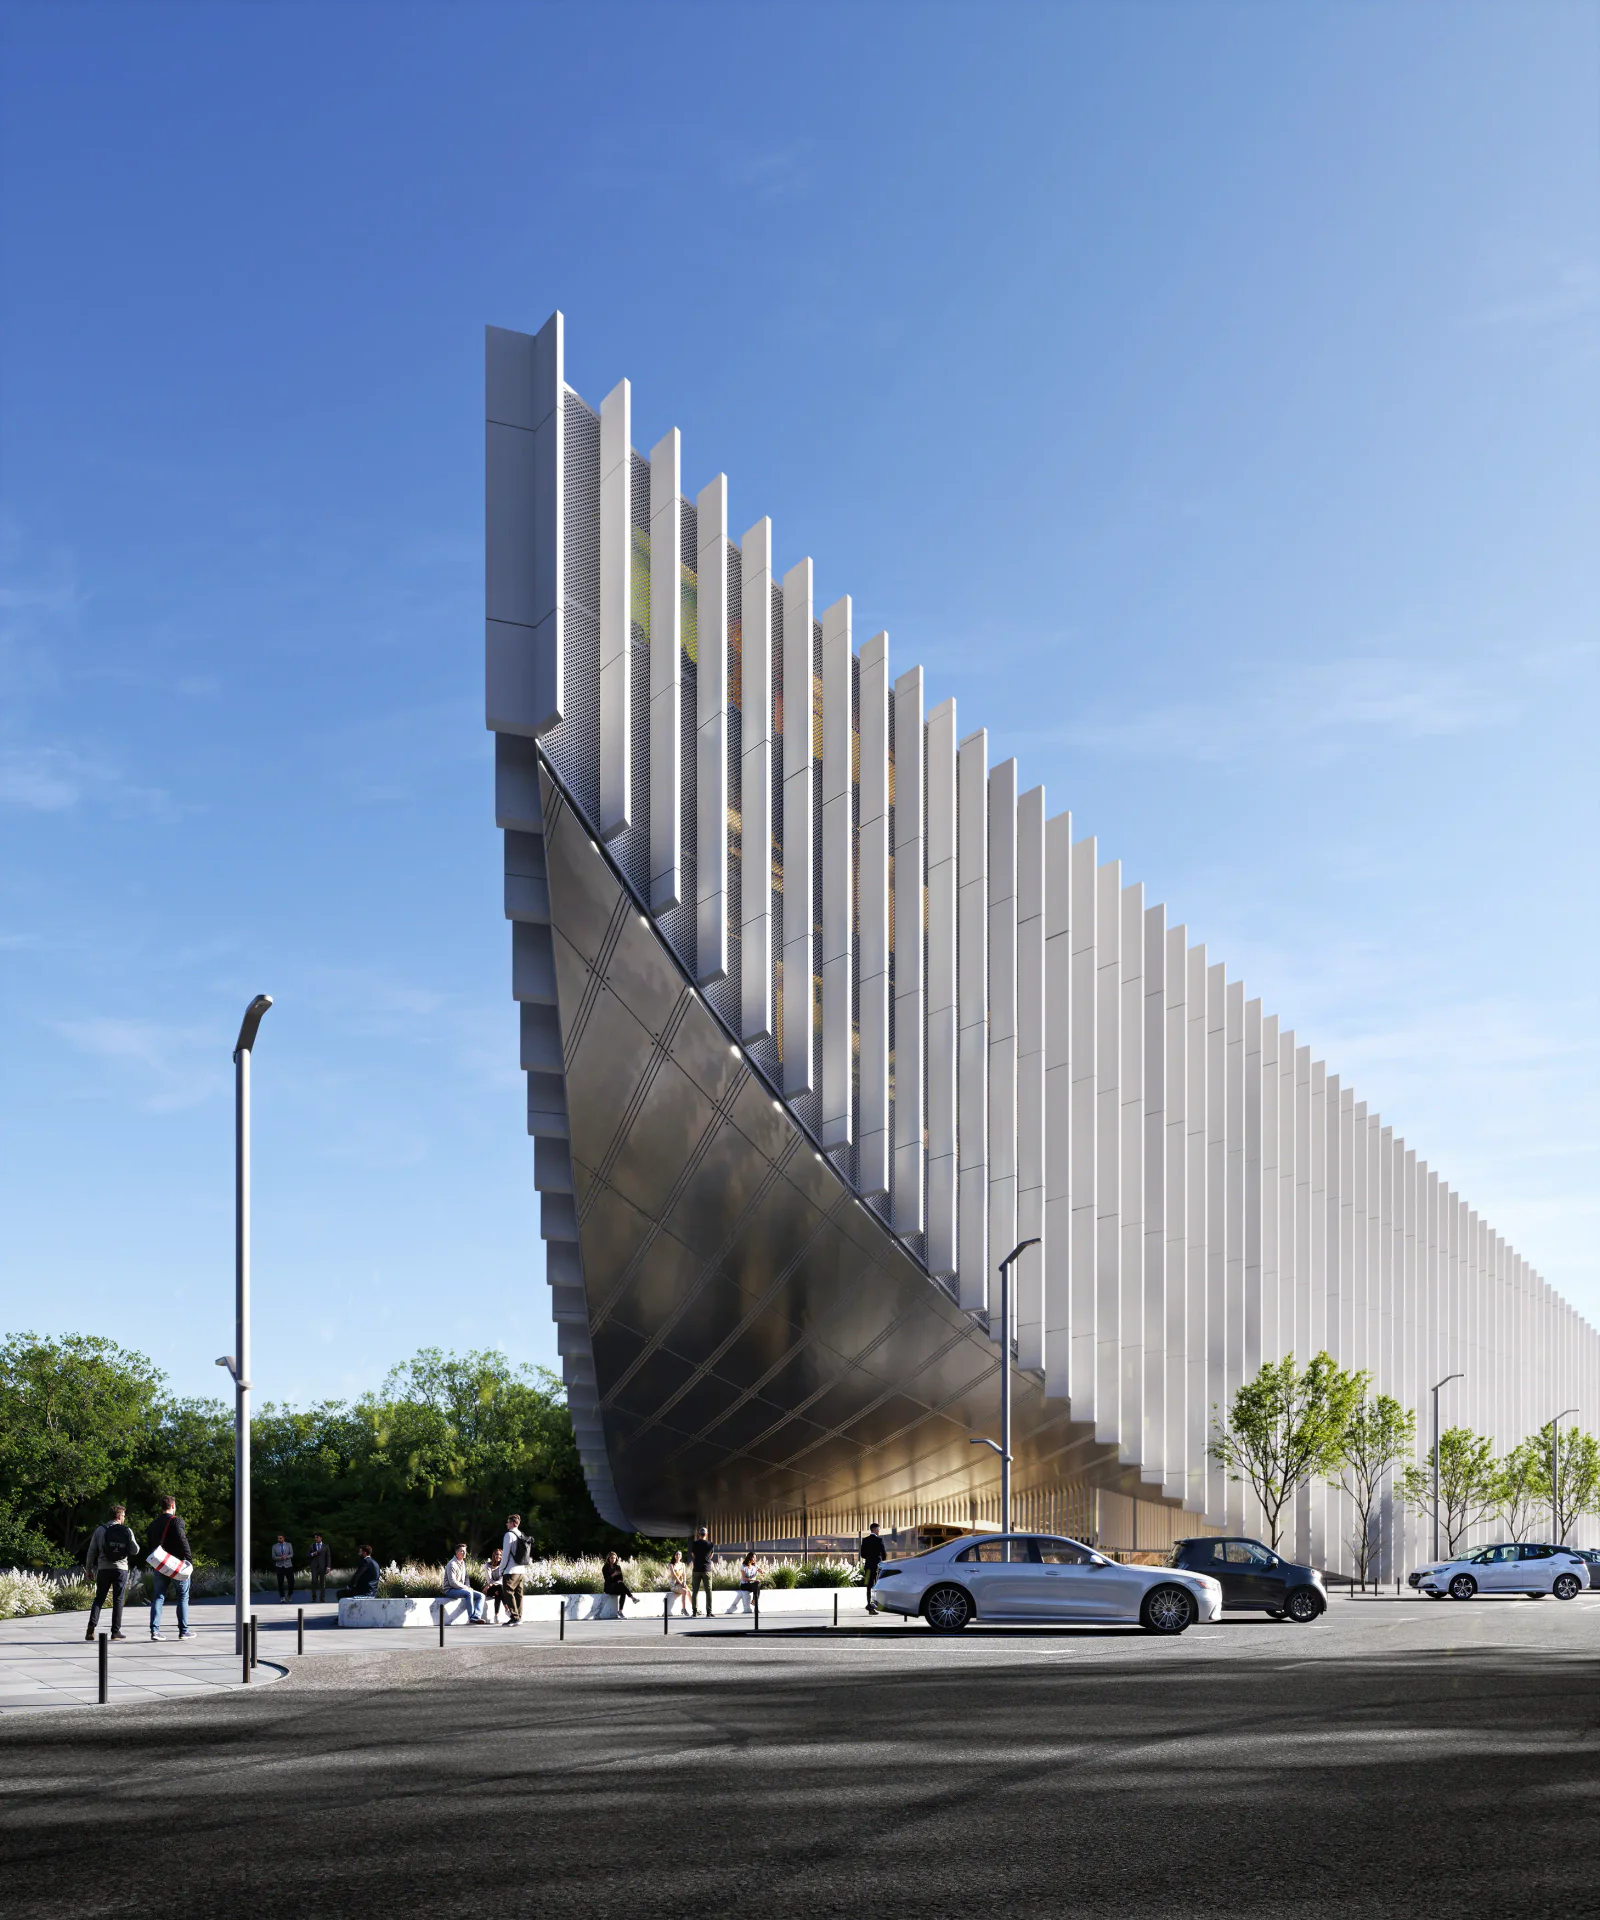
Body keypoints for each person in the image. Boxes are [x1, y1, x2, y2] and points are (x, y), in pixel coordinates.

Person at [84, 1505, 140, 1642]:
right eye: (124, 1516)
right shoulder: (126, 1530)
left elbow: (91, 1551)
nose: (124, 1518)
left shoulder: (100, 1530)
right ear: (119, 1516)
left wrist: (89, 1568)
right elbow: (135, 1550)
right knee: (118, 1600)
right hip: (121, 1569)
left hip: (103, 1568)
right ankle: (115, 1632)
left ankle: (91, 1629)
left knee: (99, 1599)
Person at [145, 1495, 194, 1641]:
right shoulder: (176, 1521)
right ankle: (183, 1631)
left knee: (159, 1596)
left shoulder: (154, 1523)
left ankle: (155, 1631)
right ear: (173, 1506)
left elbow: (150, 1544)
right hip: (177, 1564)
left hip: (160, 1565)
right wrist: (189, 1560)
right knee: (183, 1596)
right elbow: (182, 1539)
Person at [441, 1544, 489, 1624]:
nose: (464, 1553)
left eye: (465, 1551)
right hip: (450, 1590)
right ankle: (471, 1617)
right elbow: (452, 1582)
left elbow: (466, 1577)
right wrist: (466, 1588)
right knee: (469, 1593)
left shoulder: (463, 1563)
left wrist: (468, 1586)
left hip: (460, 1589)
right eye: (462, 1551)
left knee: (481, 1596)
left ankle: (476, 1616)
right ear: (457, 1552)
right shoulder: (452, 1564)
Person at [497, 1512, 527, 1625]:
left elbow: (505, 1555)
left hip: (511, 1570)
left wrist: (501, 1569)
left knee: (508, 1591)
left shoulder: (509, 1535)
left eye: (508, 1522)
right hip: (521, 1570)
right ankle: (519, 1617)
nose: (506, 1524)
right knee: (519, 1594)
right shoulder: (521, 1534)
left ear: (513, 1523)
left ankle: (514, 1617)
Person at [859, 1522, 889, 1613]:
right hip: (876, 1567)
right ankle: (871, 1606)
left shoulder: (865, 1540)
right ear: (875, 1530)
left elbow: (862, 1554)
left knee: (868, 1586)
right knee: (875, 1586)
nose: (879, 1531)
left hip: (868, 1566)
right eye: (879, 1530)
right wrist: (880, 1560)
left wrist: (869, 1558)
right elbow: (884, 1554)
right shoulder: (879, 1540)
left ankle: (869, 1604)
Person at [690, 1526, 716, 1618]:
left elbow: (693, 1554)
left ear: (699, 1534)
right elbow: (711, 1556)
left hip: (696, 1569)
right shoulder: (710, 1544)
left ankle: (694, 1612)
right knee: (708, 1591)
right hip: (707, 1570)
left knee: (695, 1591)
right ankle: (709, 1612)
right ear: (706, 1534)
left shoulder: (695, 1544)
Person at [601, 1550, 635, 1617]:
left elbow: (621, 1578)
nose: (613, 1559)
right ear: (608, 1558)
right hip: (609, 1587)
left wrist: (620, 1581)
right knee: (621, 1587)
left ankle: (620, 1611)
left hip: (617, 1586)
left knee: (623, 1592)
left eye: (614, 1558)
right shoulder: (605, 1567)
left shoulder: (617, 1567)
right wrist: (613, 1575)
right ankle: (632, 1598)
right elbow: (607, 1580)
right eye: (611, 1558)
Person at [732, 1548, 762, 1614]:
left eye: (755, 1558)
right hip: (744, 1585)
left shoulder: (755, 1566)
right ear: (750, 1558)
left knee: (757, 1585)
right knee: (756, 1585)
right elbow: (744, 1578)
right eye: (754, 1558)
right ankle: (754, 1603)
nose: (755, 1559)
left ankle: (754, 1601)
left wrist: (762, 1571)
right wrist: (754, 1580)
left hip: (752, 1585)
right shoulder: (743, 1566)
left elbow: (761, 1570)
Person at [482, 1545, 507, 1623]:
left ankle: (496, 1616)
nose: (498, 1556)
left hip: (497, 1588)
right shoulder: (488, 1566)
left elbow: (501, 1580)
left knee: (498, 1592)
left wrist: (493, 1584)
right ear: (493, 1555)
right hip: (490, 1589)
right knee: (499, 1588)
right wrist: (491, 1585)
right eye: (497, 1554)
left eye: (500, 1555)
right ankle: (507, 1608)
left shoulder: (502, 1566)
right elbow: (489, 1580)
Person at [306, 1533, 332, 1603]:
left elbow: (328, 1557)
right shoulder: (312, 1546)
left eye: (317, 1537)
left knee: (322, 1583)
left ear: (321, 1538)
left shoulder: (326, 1546)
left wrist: (328, 1566)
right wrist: (312, 1554)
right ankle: (314, 1598)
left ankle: (322, 1598)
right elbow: (307, 1555)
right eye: (315, 1538)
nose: (316, 1539)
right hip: (314, 1566)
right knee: (314, 1582)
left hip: (323, 1566)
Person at [666, 1550, 691, 1616]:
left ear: (681, 1556)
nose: (678, 1556)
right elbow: (673, 1575)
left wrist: (684, 1582)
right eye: (676, 1554)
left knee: (689, 1592)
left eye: (679, 1554)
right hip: (674, 1584)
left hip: (681, 1582)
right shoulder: (671, 1564)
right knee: (685, 1591)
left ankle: (694, 1608)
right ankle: (683, 1608)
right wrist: (681, 1583)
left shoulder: (682, 1564)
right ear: (674, 1556)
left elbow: (684, 1574)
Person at [271, 1533, 295, 1602]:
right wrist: (280, 1558)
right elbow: (273, 1556)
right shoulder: (274, 1546)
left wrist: (286, 1557)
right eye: (278, 1538)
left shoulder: (289, 1545)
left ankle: (289, 1594)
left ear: (283, 1538)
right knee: (280, 1582)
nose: (279, 1539)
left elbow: (291, 1554)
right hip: (279, 1566)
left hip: (288, 1565)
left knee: (291, 1582)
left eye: (281, 1538)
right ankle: (282, 1597)